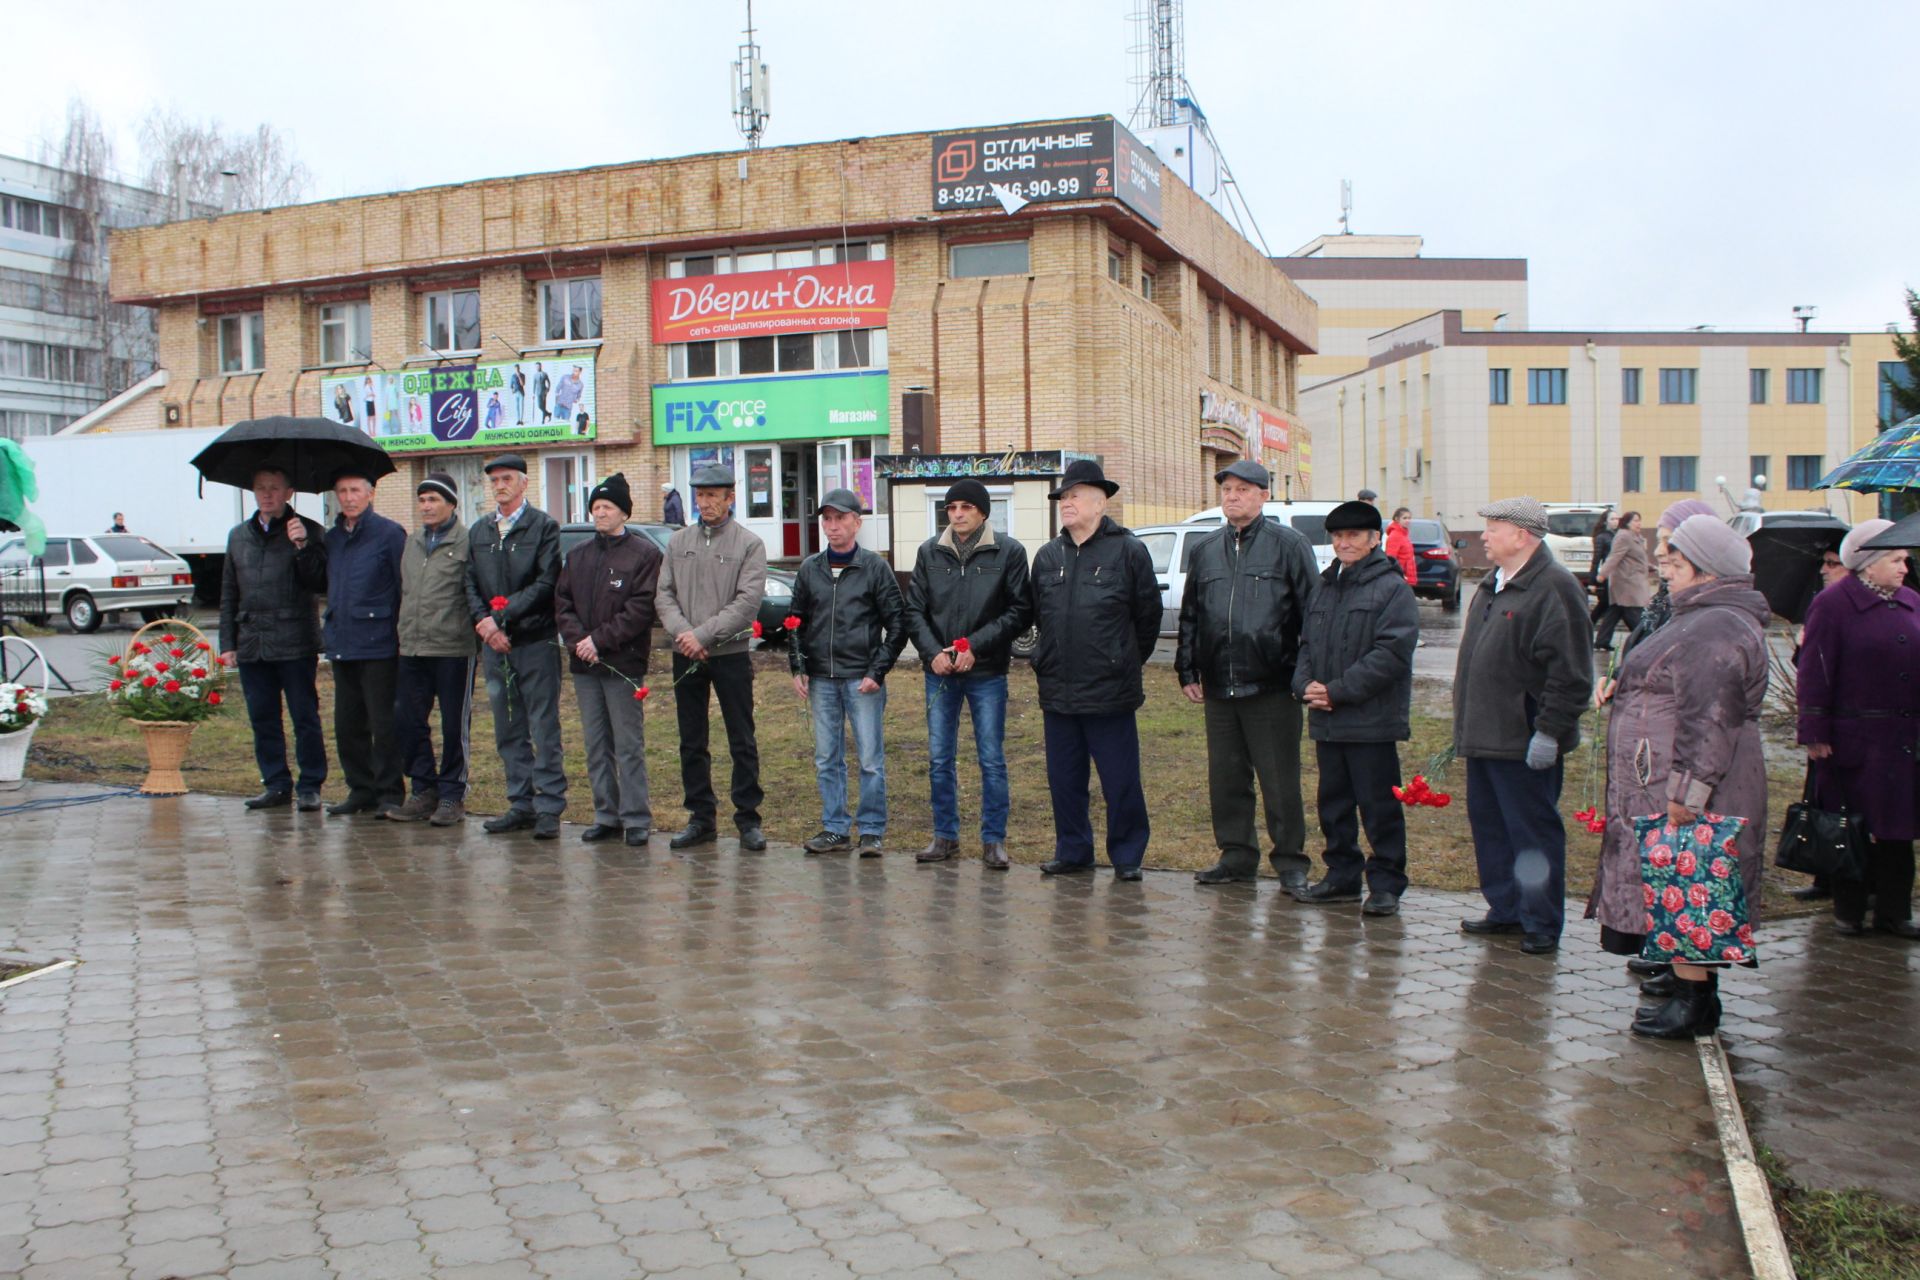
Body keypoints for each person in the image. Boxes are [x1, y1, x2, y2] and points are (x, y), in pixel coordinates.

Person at [1588, 515, 1772, 1037]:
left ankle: (1696, 1005)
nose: (1664, 570)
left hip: (1695, 784)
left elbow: (1710, 717)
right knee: (1680, 883)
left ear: (1703, 568)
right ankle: (1685, 986)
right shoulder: (1700, 617)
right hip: (1672, 778)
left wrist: (1686, 793)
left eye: (1672, 561)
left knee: (1693, 884)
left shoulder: (1715, 627)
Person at [1454, 496, 1594, 955]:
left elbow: (1571, 671)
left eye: (1493, 527)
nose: (1484, 537)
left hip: (1525, 737)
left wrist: (1550, 731)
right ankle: (1507, 908)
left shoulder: (1554, 587)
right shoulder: (1494, 584)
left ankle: (1541, 921)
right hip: (1485, 735)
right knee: (1491, 826)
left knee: (1531, 832)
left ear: (1522, 535)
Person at [1174, 459, 1319, 889]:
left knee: (1279, 780)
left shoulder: (1289, 545)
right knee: (1227, 777)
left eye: (1242, 489)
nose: (1232, 497)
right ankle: (1236, 855)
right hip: (1219, 685)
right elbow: (1191, 615)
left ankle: (1290, 861)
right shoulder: (1205, 550)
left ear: (1263, 495)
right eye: (1226, 490)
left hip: (1272, 684)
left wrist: (1303, 674)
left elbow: (1313, 614)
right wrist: (1187, 669)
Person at [1029, 460, 1161, 881]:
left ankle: (1127, 856)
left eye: (1074, 496)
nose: (1065, 503)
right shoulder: (1048, 556)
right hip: (1059, 689)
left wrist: (1121, 660)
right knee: (1064, 781)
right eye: (1062, 497)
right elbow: (1039, 616)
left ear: (1100, 502)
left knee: (1120, 780)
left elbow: (1147, 618)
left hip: (1110, 690)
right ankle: (1073, 850)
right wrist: (1044, 659)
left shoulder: (1128, 550)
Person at [1293, 500, 1419, 915]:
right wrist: (1304, 685)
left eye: (1354, 536)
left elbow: (1391, 653)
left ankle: (1385, 884)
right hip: (1328, 722)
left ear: (1374, 540)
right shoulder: (1326, 585)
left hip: (1371, 722)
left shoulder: (1392, 588)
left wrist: (1338, 691)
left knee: (1379, 807)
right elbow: (1308, 643)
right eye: (1338, 536)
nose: (1344, 543)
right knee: (1334, 804)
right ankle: (1341, 876)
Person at [1797, 519, 1920, 941]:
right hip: (1853, 738)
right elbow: (1814, 670)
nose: (1905, 566)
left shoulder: (1911, 601)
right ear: (1867, 563)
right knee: (1849, 825)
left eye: (1905, 558)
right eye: (1895, 558)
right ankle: (1849, 910)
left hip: (1902, 740)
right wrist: (1814, 728)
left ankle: (1894, 911)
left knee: (1898, 829)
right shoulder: (1833, 604)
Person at [906, 479, 1031, 869]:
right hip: (939, 672)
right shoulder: (929, 552)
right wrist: (932, 654)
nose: (958, 514)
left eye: (966, 507)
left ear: (982, 511)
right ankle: (945, 837)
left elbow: (1018, 611)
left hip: (987, 671)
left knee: (991, 759)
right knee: (940, 758)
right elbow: (914, 611)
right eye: (952, 507)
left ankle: (993, 840)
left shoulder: (1008, 551)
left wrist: (973, 647)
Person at [655, 464, 768, 851]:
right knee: (691, 739)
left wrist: (702, 635)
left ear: (730, 497)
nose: (705, 503)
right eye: (700, 496)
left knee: (741, 738)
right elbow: (664, 595)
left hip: (730, 654)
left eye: (713, 496)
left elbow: (746, 603)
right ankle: (701, 818)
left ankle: (748, 820)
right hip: (685, 655)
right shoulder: (677, 542)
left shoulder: (749, 544)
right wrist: (684, 635)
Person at [789, 489, 908, 856]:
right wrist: (798, 666)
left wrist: (878, 670)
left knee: (870, 759)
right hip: (822, 679)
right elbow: (796, 622)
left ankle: (871, 829)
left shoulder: (874, 568)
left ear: (857, 522)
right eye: (827, 518)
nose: (833, 526)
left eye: (841, 518)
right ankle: (835, 828)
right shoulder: (810, 568)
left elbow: (898, 624)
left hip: (862, 680)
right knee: (827, 758)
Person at [464, 453, 567, 839]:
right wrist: (486, 626)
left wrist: (502, 619)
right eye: (494, 480)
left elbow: (545, 583)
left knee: (543, 727)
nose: (500, 485)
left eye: (507, 478)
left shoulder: (543, 527)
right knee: (508, 728)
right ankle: (519, 803)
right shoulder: (480, 531)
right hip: (495, 646)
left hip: (534, 640)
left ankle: (549, 806)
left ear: (524, 483)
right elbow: (470, 583)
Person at [557, 474, 662, 848]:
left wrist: (598, 641)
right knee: (596, 743)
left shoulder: (644, 555)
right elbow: (563, 603)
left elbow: (640, 609)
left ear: (623, 513)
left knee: (628, 743)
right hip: (584, 666)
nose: (600, 513)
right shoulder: (578, 555)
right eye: (596, 507)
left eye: (608, 507)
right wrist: (578, 642)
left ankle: (636, 817)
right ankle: (606, 814)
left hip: (623, 664)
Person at [220, 467, 329, 811]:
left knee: (304, 716)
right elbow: (228, 593)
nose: (267, 495)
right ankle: (276, 783)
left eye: (274, 488)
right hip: (253, 641)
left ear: (289, 492)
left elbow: (321, 582)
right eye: (260, 488)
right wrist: (228, 643)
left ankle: (310, 784)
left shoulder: (309, 531)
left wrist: (302, 547)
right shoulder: (238, 536)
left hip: (294, 640)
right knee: (263, 718)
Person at [384, 472, 477, 827]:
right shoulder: (413, 542)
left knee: (455, 725)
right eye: (422, 500)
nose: (426, 506)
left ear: (452, 504)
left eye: (434, 499)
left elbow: (475, 592)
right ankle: (423, 789)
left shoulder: (467, 542)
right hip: (412, 646)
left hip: (453, 648)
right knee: (408, 720)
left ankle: (452, 793)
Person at [319, 469, 408, 817]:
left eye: (355, 490)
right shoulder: (333, 538)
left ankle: (389, 792)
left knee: (383, 723)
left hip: (380, 642)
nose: (348, 497)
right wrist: (300, 548)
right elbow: (321, 581)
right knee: (347, 723)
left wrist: (402, 636)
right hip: (343, 640)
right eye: (342, 491)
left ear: (370, 494)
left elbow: (403, 586)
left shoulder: (388, 534)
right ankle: (361, 788)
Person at [1593, 511, 1653, 652]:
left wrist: (1652, 567)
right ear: (1627, 523)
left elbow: (1638, 559)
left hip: (1631, 582)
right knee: (1635, 613)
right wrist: (1602, 575)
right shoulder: (1624, 537)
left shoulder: (1635, 538)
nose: (1639, 523)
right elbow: (1614, 557)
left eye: (1639, 520)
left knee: (1614, 612)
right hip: (1627, 583)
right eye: (1636, 520)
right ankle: (1645, 640)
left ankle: (1602, 641)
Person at [1588, 511, 1618, 623]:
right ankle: (1589, 623)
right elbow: (1596, 560)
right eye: (1612, 519)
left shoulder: (1618, 534)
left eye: (1617, 519)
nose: (1616, 521)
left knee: (1609, 605)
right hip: (1607, 575)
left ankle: (1592, 626)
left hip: (1617, 575)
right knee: (1605, 603)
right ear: (1606, 522)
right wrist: (1592, 581)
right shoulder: (1602, 537)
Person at [1384, 507, 1418, 587]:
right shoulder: (1395, 535)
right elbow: (1391, 559)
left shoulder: (1403, 534)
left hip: (1405, 577)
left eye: (1409, 518)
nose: (1407, 520)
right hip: (1399, 577)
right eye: (1404, 518)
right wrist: (1398, 575)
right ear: (1397, 519)